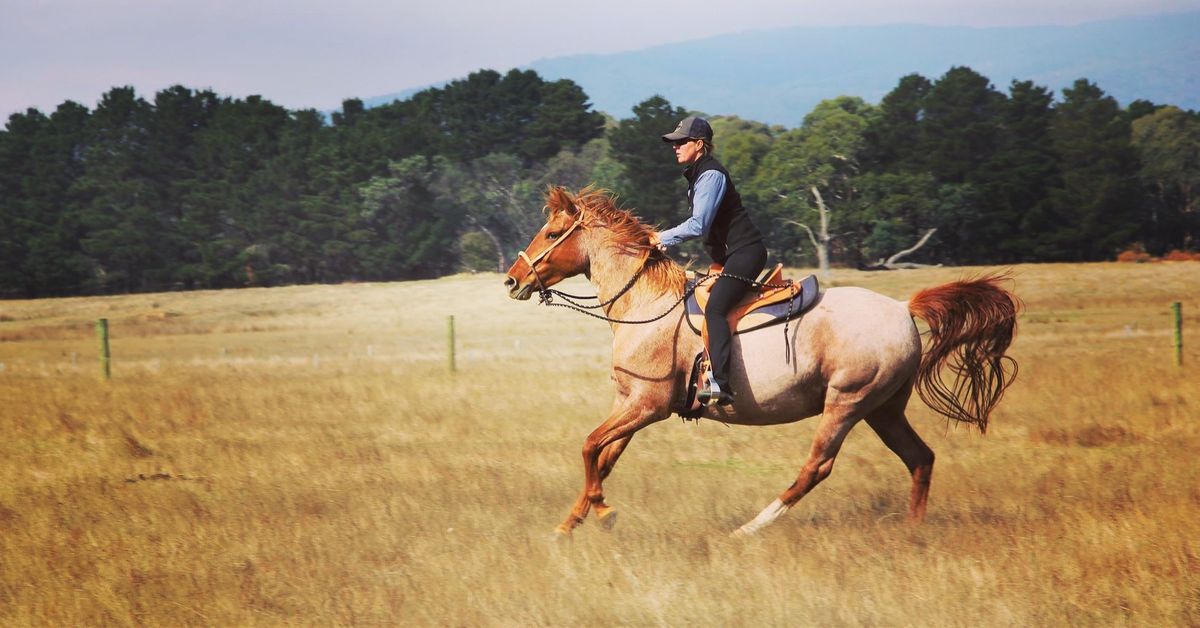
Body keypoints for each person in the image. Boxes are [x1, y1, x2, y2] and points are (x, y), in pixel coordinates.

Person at [655, 116, 767, 406]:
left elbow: (698, 225)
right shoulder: (698, 174)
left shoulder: (711, 175)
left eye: (681, 142)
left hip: (745, 254)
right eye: (674, 143)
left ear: (699, 145)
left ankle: (721, 385)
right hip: (730, 256)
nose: (675, 147)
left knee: (716, 309)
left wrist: (661, 238)